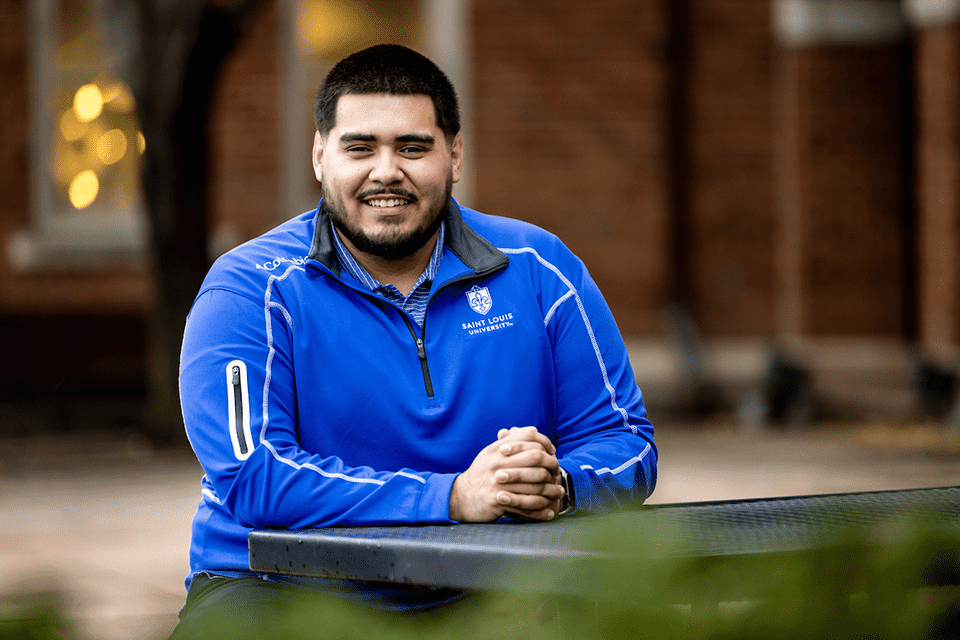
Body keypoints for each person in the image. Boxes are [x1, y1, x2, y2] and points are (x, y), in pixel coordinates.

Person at [171, 43, 657, 635]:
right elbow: (255, 476)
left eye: (412, 147)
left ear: (454, 155)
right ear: (320, 156)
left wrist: (556, 485)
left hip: (483, 586)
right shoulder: (248, 290)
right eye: (359, 147)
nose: (386, 171)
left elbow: (625, 441)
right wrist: (452, 498)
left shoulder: (538, 268)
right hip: (280, 588)